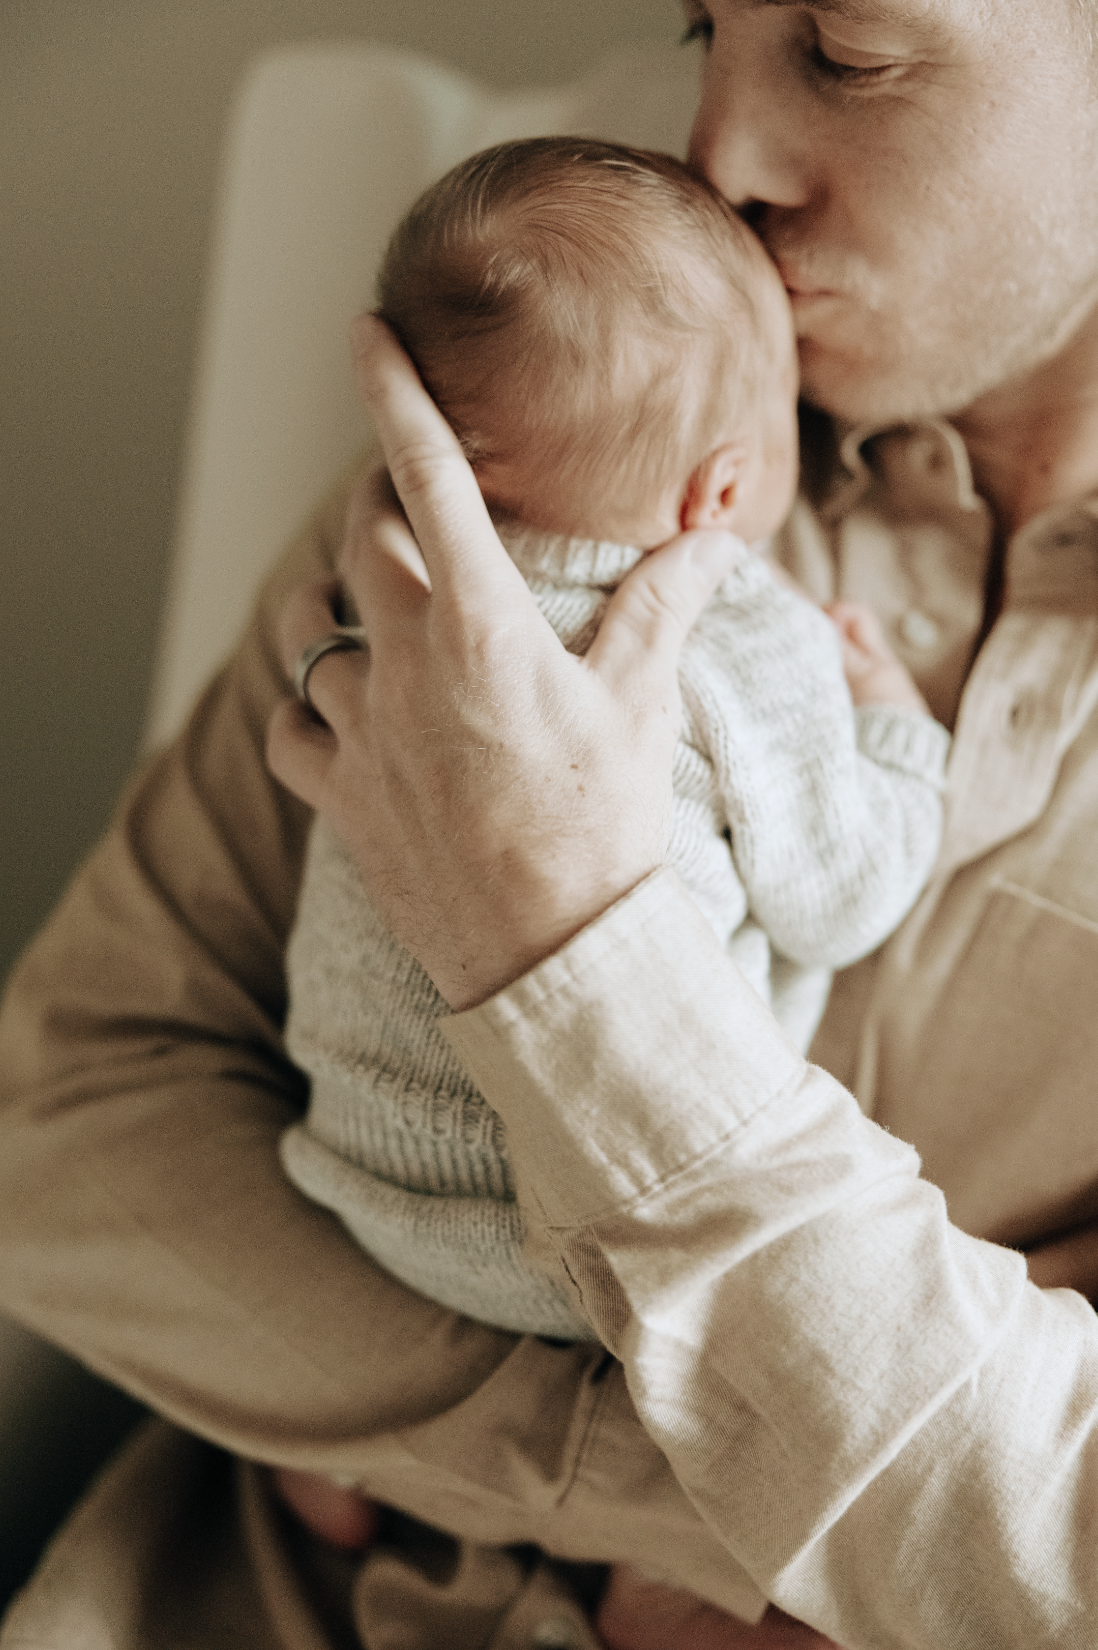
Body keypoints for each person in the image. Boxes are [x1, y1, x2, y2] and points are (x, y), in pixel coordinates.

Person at [3, 0, 1098, 1644]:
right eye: (700, 25)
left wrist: (553, 942)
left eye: (849, 51)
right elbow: (67, 1125)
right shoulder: (590, 407)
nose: (719, 150)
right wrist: (721, 1512)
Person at [272, 136, 946, 1613]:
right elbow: (843, 891)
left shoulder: (394, 588)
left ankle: (329, 1457)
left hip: (356, 1171)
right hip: (569, 1242)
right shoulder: (739, 633)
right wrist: (896, 732)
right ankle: (544, 1532)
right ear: (722, 485)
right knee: (664, 1380)